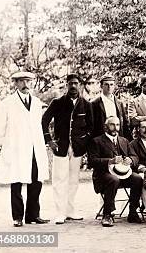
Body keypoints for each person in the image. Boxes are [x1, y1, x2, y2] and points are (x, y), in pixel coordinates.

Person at [0, 71, 50, 227]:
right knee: (16, 183)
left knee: (36, 182)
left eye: (28, 81)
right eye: (22, 81)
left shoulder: (37, 103)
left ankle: (33, 215)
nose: (26, 85)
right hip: (16, 150)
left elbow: (39, 126)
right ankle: (18, 217)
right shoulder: (7, 103)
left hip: (35, 150)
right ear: (15, 83)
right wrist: (9, 144)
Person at [41, 73, 93, 224]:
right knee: (59, 180)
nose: (73, 86)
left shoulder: (86, 104)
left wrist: (84, 141)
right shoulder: (57, 103)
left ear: (80, 85)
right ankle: (60, 213)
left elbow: (91, 127)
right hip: (60, 147)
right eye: (70, 83)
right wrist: (49, 140)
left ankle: (70, 210)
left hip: (77, 149)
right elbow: (44, 120)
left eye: (76, 83)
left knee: (73, 180)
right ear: (66, 85)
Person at [88, 117, 143, 227]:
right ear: (105, 127)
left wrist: (131, 160)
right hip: (103, 176)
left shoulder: (124, 141)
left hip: (123, 175)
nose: (115, 128)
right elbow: (92, 162)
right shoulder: (96, 141)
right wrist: (109, 161)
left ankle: (133, 212)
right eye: (112, 125)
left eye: (117, 125)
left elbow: (135, 156)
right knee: (113, 179)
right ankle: (107, 215)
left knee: (138, 179)